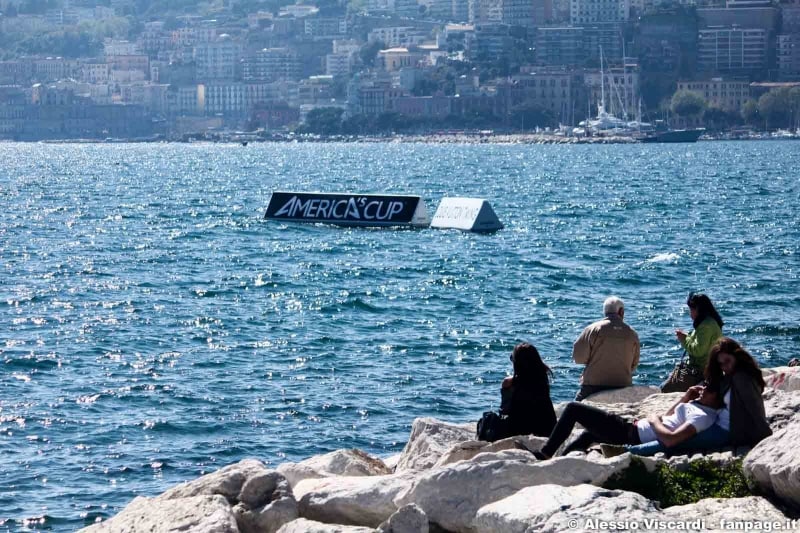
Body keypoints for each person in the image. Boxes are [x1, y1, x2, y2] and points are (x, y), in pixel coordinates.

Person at [631, 337, 771, 456]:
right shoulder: (731, 376)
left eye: (727, 361)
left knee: (678, 444)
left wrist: (766, 437)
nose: (724, 367)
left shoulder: (742, 378)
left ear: (737, 356)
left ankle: (630, 451)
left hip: (726, 431)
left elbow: (755, 408)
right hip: (718, 423)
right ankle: (632, 447)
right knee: (679, 437)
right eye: (721, 364)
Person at [531, 380, 723, 460]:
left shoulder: (703, 417)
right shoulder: (699, 406)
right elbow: (669, 417)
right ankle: (559, 460)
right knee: (588, 434)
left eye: (708, 388)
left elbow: (671, 439)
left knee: (573, 409)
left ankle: (546, 453)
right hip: (630, 429)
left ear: (717, 396)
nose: (702, 388)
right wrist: (686, 398)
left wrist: (653, 420)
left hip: (629, 435)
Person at [573, 296, 640, 401]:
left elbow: (578, 358)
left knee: (573, 409)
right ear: (621, 311)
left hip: (593, 385)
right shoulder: (632, 333)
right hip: (622, 385)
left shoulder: (592, 329)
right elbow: (634, 364)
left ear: (605, 312)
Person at [663, 293, 724, 392]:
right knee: (667, 384)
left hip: (702, 370)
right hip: (701, 368)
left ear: (698, 309)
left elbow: (698, 350)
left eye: (691, 310)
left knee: (665, 389)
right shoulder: (707, 322)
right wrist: (686, 336)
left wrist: (683, 339)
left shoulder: (706, 326)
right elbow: (700, 342)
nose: (690, 313)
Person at [497, 343, 557, 438]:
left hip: (520, 428)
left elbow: (504, 409)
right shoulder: (542, 379)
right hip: (547, 427)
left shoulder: (509, 383)